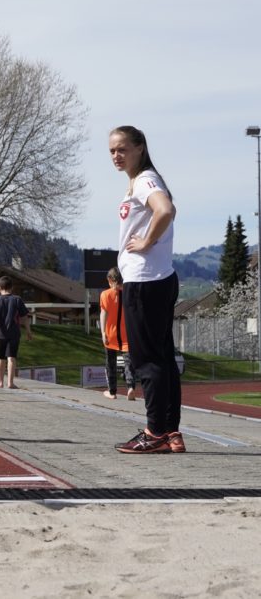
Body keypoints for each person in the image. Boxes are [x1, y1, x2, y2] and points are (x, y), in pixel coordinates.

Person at [109, 125, 183, 454]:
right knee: (164, 358)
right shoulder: (139, 181)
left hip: (145, 281)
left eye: (122, 149)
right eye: (112, 150)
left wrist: (148, 240)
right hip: (159, 278)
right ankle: (170, 433)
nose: (116, 155)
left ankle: (153, 432)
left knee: (146, 360)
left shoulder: (145, 180)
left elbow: (165, 209)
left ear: (140, 147)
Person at [0, 276, 32, 389]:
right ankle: (10, 383)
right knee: (11, 357)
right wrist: (28, 331)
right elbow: (24, 317)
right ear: (12, 288)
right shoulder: (17, 300)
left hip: (0, 333)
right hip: (14, 333)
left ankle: (0, 381)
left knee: (1, 357)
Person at [100, 266, 136, 401]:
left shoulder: (105, 294)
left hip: (111, 334)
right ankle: (131, 387)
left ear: (110, 280)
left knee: (110, 363)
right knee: (129, 363)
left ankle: (112, 391)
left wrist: (103, 332)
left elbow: (104, 313)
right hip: (127, 334)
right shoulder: (129, 293)